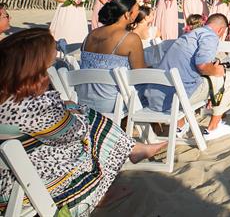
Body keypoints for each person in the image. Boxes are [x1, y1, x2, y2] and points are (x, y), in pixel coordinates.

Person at [0, 28, 165, 214]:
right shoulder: (35, 106)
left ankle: (133, 149)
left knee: (80, 117)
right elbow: (76, 131)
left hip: (9, 174)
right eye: (46, 69)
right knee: (88, 126)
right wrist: (72, 108)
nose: (48, 76)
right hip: (25, 187)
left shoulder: (8, 98)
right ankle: (108, 179)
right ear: (32, 72)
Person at [143, 13, 230, 140]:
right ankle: (213, 128)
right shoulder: (210, 36)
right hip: (175, 100)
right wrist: (218, 70)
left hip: (154, 96)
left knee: (184, 77)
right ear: (221, 29)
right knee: (228, 77)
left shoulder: (189, 35)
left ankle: (180, 126)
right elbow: (203, 66)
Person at [79, 0, 146, 112]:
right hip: (112, 103)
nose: (139, 13)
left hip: (83, 100)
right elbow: (139, 74)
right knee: (153, 91)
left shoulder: (90, 35)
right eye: (137, 10)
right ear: (127, 15)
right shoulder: (131, 38)